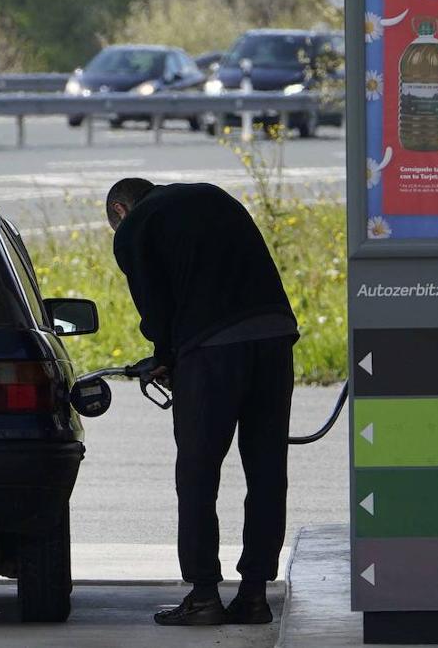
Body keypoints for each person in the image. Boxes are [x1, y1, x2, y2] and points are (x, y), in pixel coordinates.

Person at [106, 178, 298, 626]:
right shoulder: (212, 196)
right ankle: (254, 595)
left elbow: (156, 310)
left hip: (212, 351)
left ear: (120, 209)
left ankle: (204, 594)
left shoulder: (135, 225)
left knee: (197, 472)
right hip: (274, 335)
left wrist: (165, 358)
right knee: (267, 471)